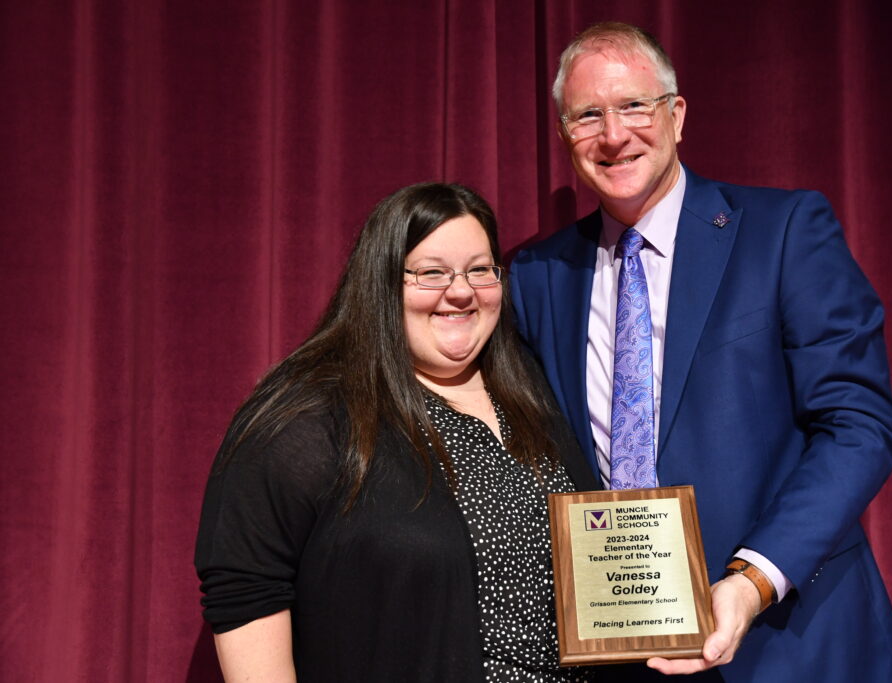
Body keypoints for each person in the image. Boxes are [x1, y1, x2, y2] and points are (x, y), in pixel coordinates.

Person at [510, 22, 892, 682]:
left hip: (793, 643)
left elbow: (859, 426)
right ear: (563, 136)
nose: (614, 135)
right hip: (623, 657)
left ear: (676, 114)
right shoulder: (536, 275)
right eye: (588, 115)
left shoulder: (784, 232)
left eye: (634, 106)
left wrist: (751, 580)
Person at [195, 183, 597, 682]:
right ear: (382, 282)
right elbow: (246, 588)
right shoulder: (312, 414)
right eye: (431, 273)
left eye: (480, 269)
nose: (461, 291)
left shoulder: (534, 390)